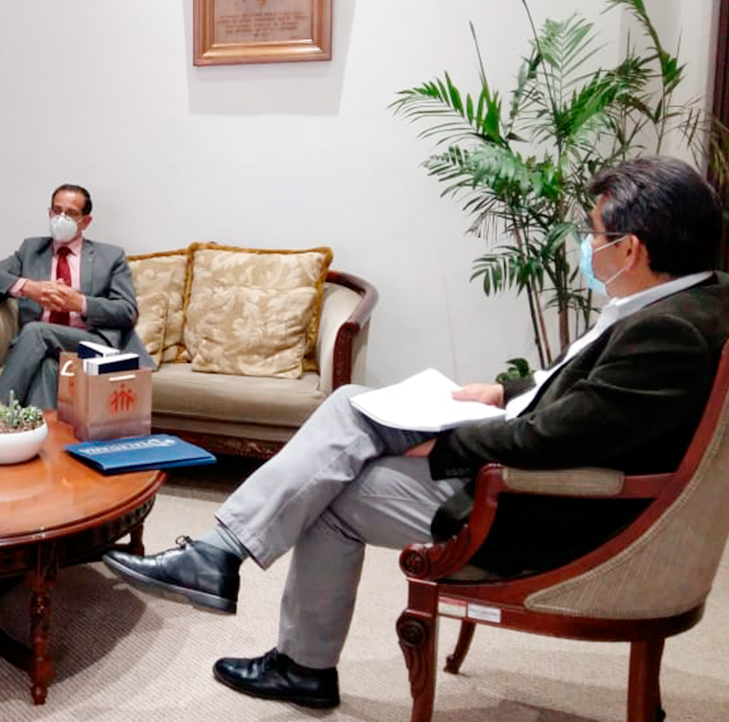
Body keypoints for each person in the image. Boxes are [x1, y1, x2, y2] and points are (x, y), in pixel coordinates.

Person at [102, 156, 729, 710]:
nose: (585, 249)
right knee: (348, 419)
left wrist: (448, 445)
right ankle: (239, 583)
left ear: (631, 250)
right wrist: (503, 393)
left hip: (544, 512)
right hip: (544, 477)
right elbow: (591, 399)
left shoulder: (666, 333)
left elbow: (558, 440)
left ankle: (250, 597)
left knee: (335, 478)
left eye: (592, 235)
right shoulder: (689, 301)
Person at [0, 183, 152, 408]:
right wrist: (28, 287)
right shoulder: (31, 250)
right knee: (47, 367)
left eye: (71, 214)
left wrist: (80, 303)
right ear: (49, 213)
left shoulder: (110, 256)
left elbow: (127, 312)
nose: (61, 218)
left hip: (90, 342)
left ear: (86, 221)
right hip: (43, 347)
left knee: (36, 331)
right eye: (56, 211)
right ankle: (45, 437)